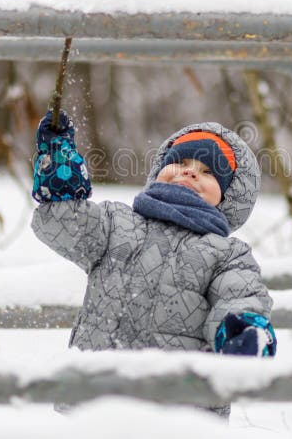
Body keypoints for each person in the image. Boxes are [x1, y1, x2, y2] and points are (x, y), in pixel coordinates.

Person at [31, 110, 276, 416]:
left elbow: (239, 296)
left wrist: (242, 333)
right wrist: (60, 164)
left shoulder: (226, 254)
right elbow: (61, 219)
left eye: (208, 172)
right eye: (181, 162)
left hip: (180, 414)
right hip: (97, 401)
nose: (189, 173)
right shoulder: (115, 224)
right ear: (160, 168)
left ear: (228, 195)